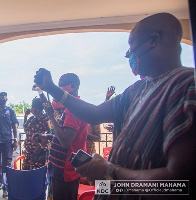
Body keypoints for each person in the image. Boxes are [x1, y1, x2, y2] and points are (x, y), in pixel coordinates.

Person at [34, 13, 196, 199]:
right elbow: (94, 113)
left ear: (153, 40)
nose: (128, 55)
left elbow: (179, 184)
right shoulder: (137, 89)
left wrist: (112, 171)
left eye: (131, 46)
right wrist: (52, 88)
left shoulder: (186, 85)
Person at [42, 73, 89, 200]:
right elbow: (64, 134)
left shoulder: (73, 111)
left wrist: (51, 116)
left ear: (73, 86)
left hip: (65, 170)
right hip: (63, 169)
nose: (58, 88)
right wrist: (49, 136)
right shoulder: (71, 108)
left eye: (61, 85)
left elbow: (65, 141)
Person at [0, 92, 18, 198]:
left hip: (7, 141)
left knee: (7, 164)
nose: (1, 99)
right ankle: (1, 182)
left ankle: (6, 187)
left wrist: (15, 139)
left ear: (6, 99)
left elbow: (14, 126)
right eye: (0, 97)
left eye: (3, 97)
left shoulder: (10, 111)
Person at [22, 97, 50, 170]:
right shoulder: (31, 119)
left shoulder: (45, 119)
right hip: (28, 152)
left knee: (36, 175)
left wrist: (40, 147)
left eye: (32, 106)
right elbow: (25, 129)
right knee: (26, 175)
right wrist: (25, 116)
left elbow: (48, 135)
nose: (31, 108)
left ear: (36, 108)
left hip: (38, 153)